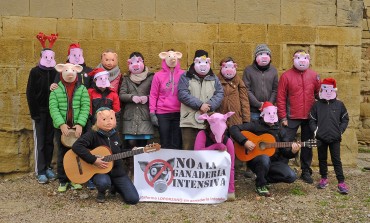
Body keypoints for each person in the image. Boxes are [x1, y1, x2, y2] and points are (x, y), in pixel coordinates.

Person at [229, 102, 300, 197]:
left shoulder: (280, 130)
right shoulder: (255, 125)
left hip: (274, 162)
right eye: (269, 113)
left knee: (291, 176)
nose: (271, 116)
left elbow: (285, 152)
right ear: (262, 114)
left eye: (273, 113)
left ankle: (264, 178)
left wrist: (293, 152)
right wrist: (245, 141)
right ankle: (260, 185)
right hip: (256, 161)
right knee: (264, 158)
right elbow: (234, 129)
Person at [72, 107, 139, 204]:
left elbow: (119, 151)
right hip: (100, 172)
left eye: (111, 119)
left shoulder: (116, 134)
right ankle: (102, 191)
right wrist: (93, 160)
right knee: (103, 182)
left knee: (133, 199)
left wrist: (132, 151)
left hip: (118, 173)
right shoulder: (92, 134)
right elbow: (76, 146)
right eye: (104, 119)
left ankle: (115, 187)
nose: (109, 122)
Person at [277, 49, 320, 184]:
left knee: (307, 144)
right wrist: (283, 117)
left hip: (309, 117)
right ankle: (281, 169)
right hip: (291, 116)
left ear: (309, 59)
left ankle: (306, 171)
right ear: (293, 59)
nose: (302, 61)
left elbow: (319, 94)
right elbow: (281, 97)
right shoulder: (286, 76)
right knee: (285, 143)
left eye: (305, 58)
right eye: (298, 57)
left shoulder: (314, 76)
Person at [49, 63, 90, 192]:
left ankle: (75, 178)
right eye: (66, 70)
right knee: (61, 153)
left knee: (76, 153)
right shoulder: (55, 90)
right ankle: (63, 180)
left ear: (76, 71)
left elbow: (85, 107)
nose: (70, 73)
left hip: (76, 128)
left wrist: (80, 124)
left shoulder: (82, 89)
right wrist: (61, 124)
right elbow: (53, 108)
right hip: (62, 128)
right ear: (62, 72)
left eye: (72, 70)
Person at [26, 32, 58, 184]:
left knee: (49, 140)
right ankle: (40, 170)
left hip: (52, 112)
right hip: (40, 112)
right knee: (40, 141)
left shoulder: (55, 72)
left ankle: (48, 166)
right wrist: (35, 113)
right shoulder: (35, 72)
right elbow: (30, 92)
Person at [309, 78, 349, 194]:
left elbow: (345, 119)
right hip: (321, 137)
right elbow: (312, 119)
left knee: (336, 160)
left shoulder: (339, 104)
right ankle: (324, 178)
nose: (327, 92)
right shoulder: (316, 105)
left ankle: (341, 182)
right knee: (322, 159)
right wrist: (316, 131)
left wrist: (340, 131)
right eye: (324, 89)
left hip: (335, 138)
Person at [178, 49, 224, 150]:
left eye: (206, 62)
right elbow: (182, 93)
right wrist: (199, 105)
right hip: (189, 121)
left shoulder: (214, 78)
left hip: (208, 122)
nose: (203, 66)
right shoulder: (185, 76)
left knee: (207, 151)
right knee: (188, 150)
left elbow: (220, 93)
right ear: (195, 61)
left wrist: (209, 105)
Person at [85, 67, 121, 189]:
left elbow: (116, 111)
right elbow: (88, 110)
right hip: (94, 127)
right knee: (92, 151)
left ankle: (109, 174)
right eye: (100, 79)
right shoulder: (90, 92)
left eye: (105, 79)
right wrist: (90, 128)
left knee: (108, 151)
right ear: (95, 80)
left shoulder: (113, 94)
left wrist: (115, 128)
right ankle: (91, 177)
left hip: (109, 128)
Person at [119, 52, 154, 176]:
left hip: (144, 117)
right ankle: (130, 170)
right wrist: (131, 97)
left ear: (143, 62)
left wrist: (148, 98)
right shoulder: (126, 79)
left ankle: (141, 173)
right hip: (130, 118)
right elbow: (121, 94)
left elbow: (156, 94)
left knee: (143, 147)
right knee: (130, 145)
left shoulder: (151, 77)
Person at [194, 112, 236, 201]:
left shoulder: (228, 141)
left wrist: (231, 191)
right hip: (202, 172)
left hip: (218, 176)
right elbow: (197, 154)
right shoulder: (202, 134)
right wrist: (215, 147)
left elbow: (231, 167)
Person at [149, 50, 185, 149]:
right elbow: (153, 94)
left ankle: (175, 164)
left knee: (177, 142)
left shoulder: (183, 74)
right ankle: (166, 163)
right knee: (164, 142)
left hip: (179, 112)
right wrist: (152, 112)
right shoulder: (158, 75)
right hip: (163, 113)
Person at [243, 44, 278, 120]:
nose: (264, 57)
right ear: (256, 56)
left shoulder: (274, 70)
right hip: (253, 111)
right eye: (261, 54)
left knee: (268, 132)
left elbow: (275, 89)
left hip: (269, 111)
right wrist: (258, 104)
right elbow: (246, 89)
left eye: (267, 54)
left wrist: (268, 104)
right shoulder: (248, 70)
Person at [216, 57, 250, 127]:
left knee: (234, 137)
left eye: (232, 67)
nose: (229, 70)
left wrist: (246, 119)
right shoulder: (215, 81)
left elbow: (244, 101)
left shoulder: (239, 82)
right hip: (220, 117)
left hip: (236, 118)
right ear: (221, 67)